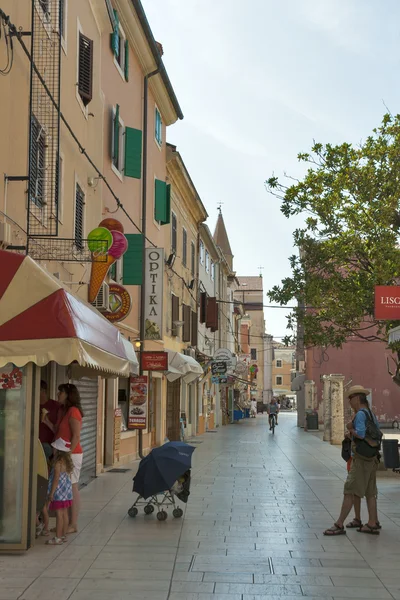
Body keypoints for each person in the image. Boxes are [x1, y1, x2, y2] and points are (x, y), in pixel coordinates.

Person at [324, 385, 381, 536]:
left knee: (349, 489)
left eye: (350, 398)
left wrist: (350, 431)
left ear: (357, 398)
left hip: (361, 459)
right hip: (372, 458)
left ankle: (339, 524)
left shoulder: (361, 414)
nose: (349, 401)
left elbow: (361, 434)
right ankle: (372, 523)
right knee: (370, 492)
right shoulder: (371, 413)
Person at [55, 383, 84, 534]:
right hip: (62, 453)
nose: (58, 394)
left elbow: (76, 436)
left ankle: (73, 523)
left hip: (72, 454)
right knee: (64, 488)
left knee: (72, 486)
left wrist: (68, 454)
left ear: (68, 395)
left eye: (61, 392)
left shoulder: (73, 411)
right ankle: (63, 522)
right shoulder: (63, 411)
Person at [46, 437, 73, 545]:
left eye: (54, 448)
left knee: (59, 514)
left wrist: (51, 493)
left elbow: (56, 479)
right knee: (65, 513)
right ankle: (63, 536)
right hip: (66, 492)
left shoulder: (58, 463)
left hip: (59, 492)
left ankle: (57, 537)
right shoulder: (66, 462)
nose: (53, 450)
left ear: (57, 451)